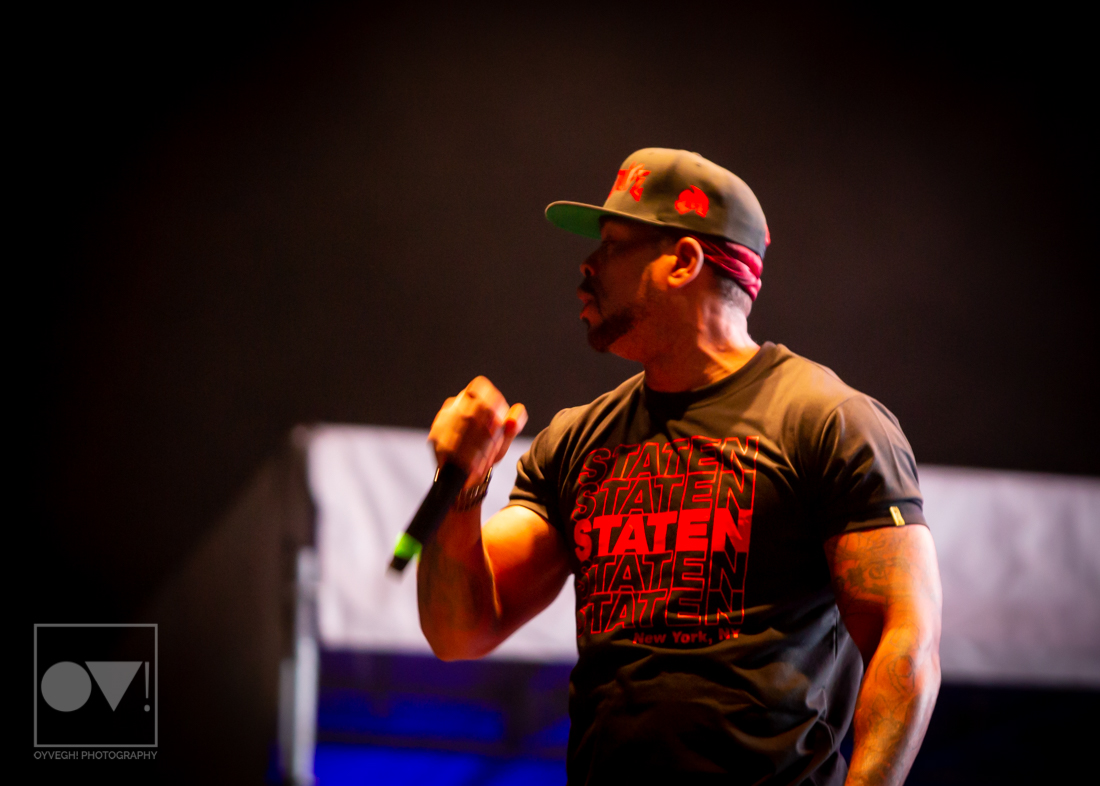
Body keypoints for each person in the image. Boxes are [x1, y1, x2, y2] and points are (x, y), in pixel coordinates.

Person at [416, 148, 942, 785]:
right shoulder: (576, 440)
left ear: (684, 261)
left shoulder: (828, 421)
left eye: (613, 244)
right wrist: (465, 482)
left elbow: (905, 645)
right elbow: (460, 632)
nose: (586, 265)